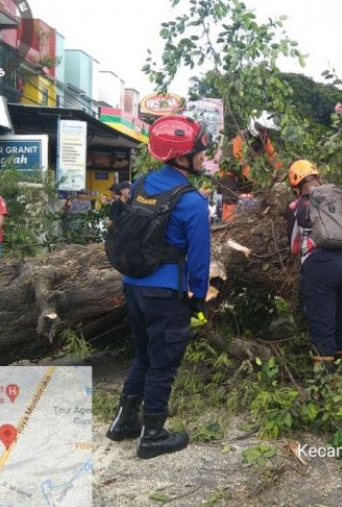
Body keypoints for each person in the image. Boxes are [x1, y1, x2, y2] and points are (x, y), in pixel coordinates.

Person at [106, 115, 211, 459]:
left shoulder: (141, 184)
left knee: (144, 355)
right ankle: (152, 435)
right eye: (197, 151)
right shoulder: (192, 201)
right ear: (181, 157)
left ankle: (124, 422)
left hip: (133, 286)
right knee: (164, 362)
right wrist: (199, 294)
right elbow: (199, 257)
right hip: (166, 292)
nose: (201, 157)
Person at [286, 160, 342, 371]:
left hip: (321, 265)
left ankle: (324, 384)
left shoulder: (297, 206)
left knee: (322, 321)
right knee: (341, 316)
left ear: (296, 187)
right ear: (318, 177)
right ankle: (341, 367)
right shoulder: (337, 197)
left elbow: (293, 246)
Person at [217, 111, 282, 221]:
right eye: (262, 130)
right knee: (230, 198)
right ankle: (227, 222)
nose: (265, 134)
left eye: (267, 131)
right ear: (255, 127)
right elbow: (242, 165)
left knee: (256, 195)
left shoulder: (265, 141)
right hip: (229, 171)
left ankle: (252, 217)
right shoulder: (241, 138)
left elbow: (273, 157)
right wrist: (260, 181)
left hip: (246, 173)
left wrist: (279, 176)